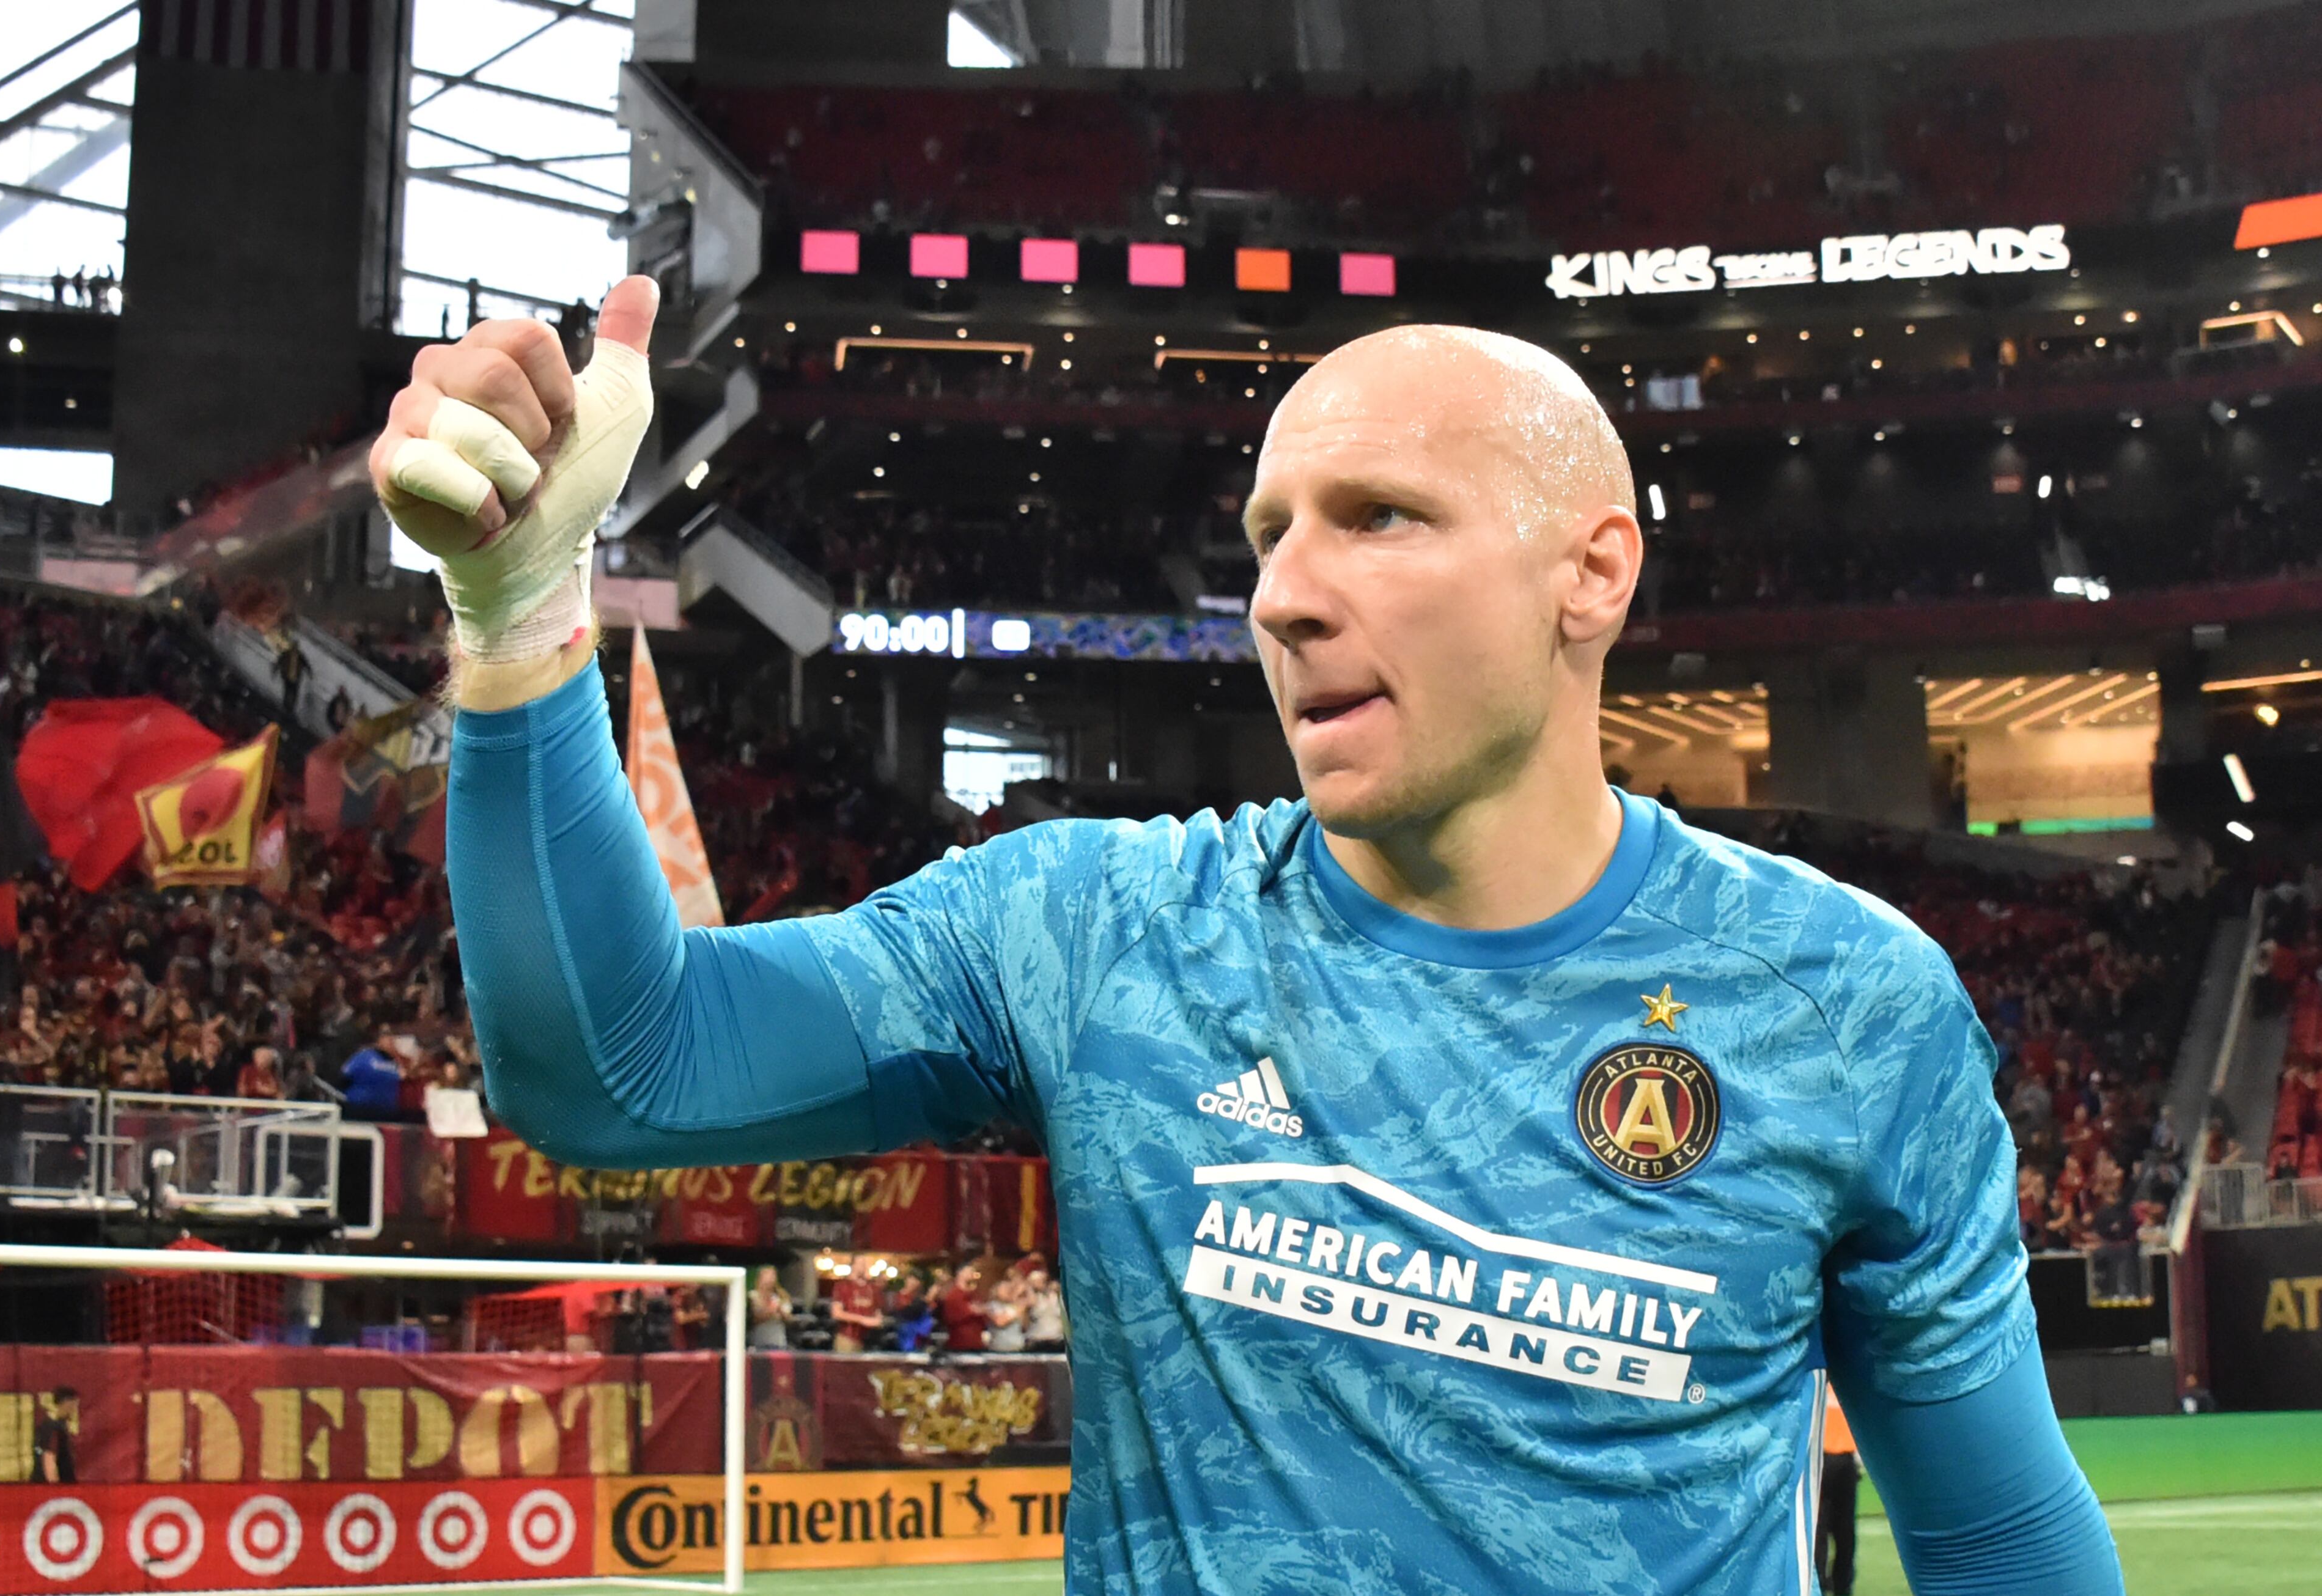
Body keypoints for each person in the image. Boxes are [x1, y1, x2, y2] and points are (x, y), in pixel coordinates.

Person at [382, 280, 2122, 1595]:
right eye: (1269, 536)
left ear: (1591, 575)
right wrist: (520, 609)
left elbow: (1998, 1539)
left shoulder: (1842, 1005)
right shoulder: (1091, 934)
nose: (1283, 594)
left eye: (1378, 517)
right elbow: (617, 1067)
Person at [1816, 1385, 1858, 1596]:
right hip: (1823, 1461)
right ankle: (1824, 1584)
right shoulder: (1823, 1389)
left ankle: (1840, 1585)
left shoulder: (1844, 1391)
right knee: (1822, 1530)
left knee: (1843, 1531)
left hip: (1841, 1462)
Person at [829, 1267, 884, 1353]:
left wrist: (877, 1321)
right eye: (860, 1265)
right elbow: (836, 1313)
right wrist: (863, 1320)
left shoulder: (873, 1290)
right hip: (847, 1338)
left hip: (868, 1340)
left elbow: (878, 1316)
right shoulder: (842, 1287)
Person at [748, 1264, 792, 1350]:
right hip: (758, 1342)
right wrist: (771, 1310)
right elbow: (753, 1319)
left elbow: (789, 1319)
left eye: (772, 1276)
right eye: (767, 1277)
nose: (770, 1280)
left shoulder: (782, 1297)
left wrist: (780, 1310)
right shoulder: (753, 1296)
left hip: (778, 1342)